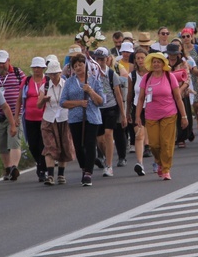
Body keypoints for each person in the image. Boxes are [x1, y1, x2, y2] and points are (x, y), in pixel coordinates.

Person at [134, 52, 188, 180]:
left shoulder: (170, 77)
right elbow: (141, 99)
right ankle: (159, 162)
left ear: (163, 64)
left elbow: (178, 98)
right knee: (153, 144)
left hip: (169, 113)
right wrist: (137, 116)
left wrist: (184, 116)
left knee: (167, 143)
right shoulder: (146, 78)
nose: (156, 64)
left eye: (159, 61)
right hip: (151, 115)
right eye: (154, 62)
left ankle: (165, 169)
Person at [59, 54, 105, 186]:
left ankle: (88, 173)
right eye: (75, 66)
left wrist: (90, 91)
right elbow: (63, 102)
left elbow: (101, 101)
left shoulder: (95, 81)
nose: (78, 68)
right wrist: (79, 103)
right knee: (79, 146)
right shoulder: (69, 82)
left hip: (92, 117)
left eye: (80, 65)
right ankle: (84, 168)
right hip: (75, 118)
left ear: (86, 65)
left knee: (90, 143)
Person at [0, 50, 24, 181]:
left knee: (14, 141)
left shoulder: (17, 73)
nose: (1, 66)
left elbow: (23, 90)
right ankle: (7, 168)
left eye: (3, 63)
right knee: (2, 144)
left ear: (8, 61)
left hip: (15, 114)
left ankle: (14, 167)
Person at [38, 59, 74, 186]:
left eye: (55, 74)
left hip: (64, 118)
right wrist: (44, 100)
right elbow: (38, 105)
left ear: (60, 73)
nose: (52, 77)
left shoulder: (67, 85)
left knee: (64, 146)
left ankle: (61, 174)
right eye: (50, 74)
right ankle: (50, 175)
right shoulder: (45, 86)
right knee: (49, 147)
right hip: (48, 119)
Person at [91, 47, 126, 177]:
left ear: (107, 59)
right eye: (97, 59)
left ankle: (109, 165)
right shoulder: (91, 75)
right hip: (97, 108)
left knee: (108, 134)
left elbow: (118, 94)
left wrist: (123, 114)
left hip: (111, 107)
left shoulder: (112, 74)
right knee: (99, 139)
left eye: (102, 59)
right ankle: (108, 157)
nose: (100, 62)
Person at [16, 57, 49, 182]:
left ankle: (42, 169)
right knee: (32, 145)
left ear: (43, 68)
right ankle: (40, 164)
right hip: (29, 118)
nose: (36, 70)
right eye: (34, 67)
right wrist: (16, 116)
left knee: (43, 144)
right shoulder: (26, 80)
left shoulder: (48, 80)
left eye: (39, 67)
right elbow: (19, 99)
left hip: (45, 118)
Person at [127, 47, 150, 176]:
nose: (140, 60)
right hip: (137, 108)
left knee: (154, 137)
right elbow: (129, 96)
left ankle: (158, 162)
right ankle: (139, 163)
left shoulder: (153, 73)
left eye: (143, 57)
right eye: (138, 58)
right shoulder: (132, 75)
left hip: (152, 107)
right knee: (139, 135)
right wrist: (126, 113)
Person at [166, 42, 193, 148]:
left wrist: (180, 90)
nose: (172, 56)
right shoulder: (164, 63)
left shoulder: (183, 63)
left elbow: (187, 79)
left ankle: (182, 137)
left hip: (181, 93)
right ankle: (172, 137)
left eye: (174, 54)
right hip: (167, 94)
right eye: (170, 54)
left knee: (183, 114)